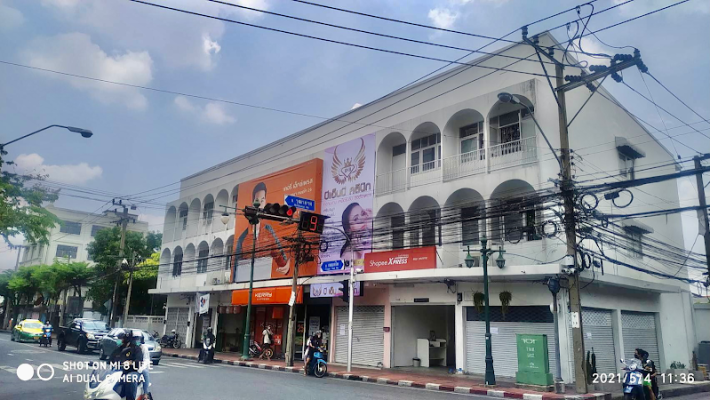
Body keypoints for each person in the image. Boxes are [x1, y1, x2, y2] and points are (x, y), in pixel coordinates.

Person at [235, 182, 289, 276]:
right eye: (257, 200)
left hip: (265, 280)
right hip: (246, 280)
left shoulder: (268, 230)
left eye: (262, 200)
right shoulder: (242, 238)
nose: (260, 204)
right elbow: (236, 267)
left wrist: (286, 266)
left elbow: (279, 255)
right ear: (252, 203)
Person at [136, 332, 152, 400]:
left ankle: (146, 393)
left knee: (145, 372)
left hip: (140, 367)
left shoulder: (144, 348)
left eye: (137, 339)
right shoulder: (129, 347)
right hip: (129, 367)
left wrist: (141, 368)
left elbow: (146, 360)